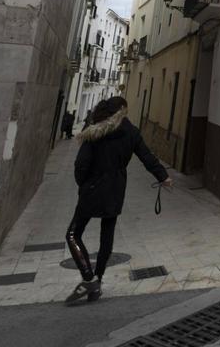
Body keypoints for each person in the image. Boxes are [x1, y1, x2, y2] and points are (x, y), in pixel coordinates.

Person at [65, 96, 172, 304]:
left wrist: (84, 184)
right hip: (115, 189)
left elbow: (81, 164)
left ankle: (89, 278)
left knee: (73, 234)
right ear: (122, 110)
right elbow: (147, 156)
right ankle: (98, 282)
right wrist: (163, 177)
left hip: (92, 190)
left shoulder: (95, 131)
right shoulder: (131, 132)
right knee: (107, 238)